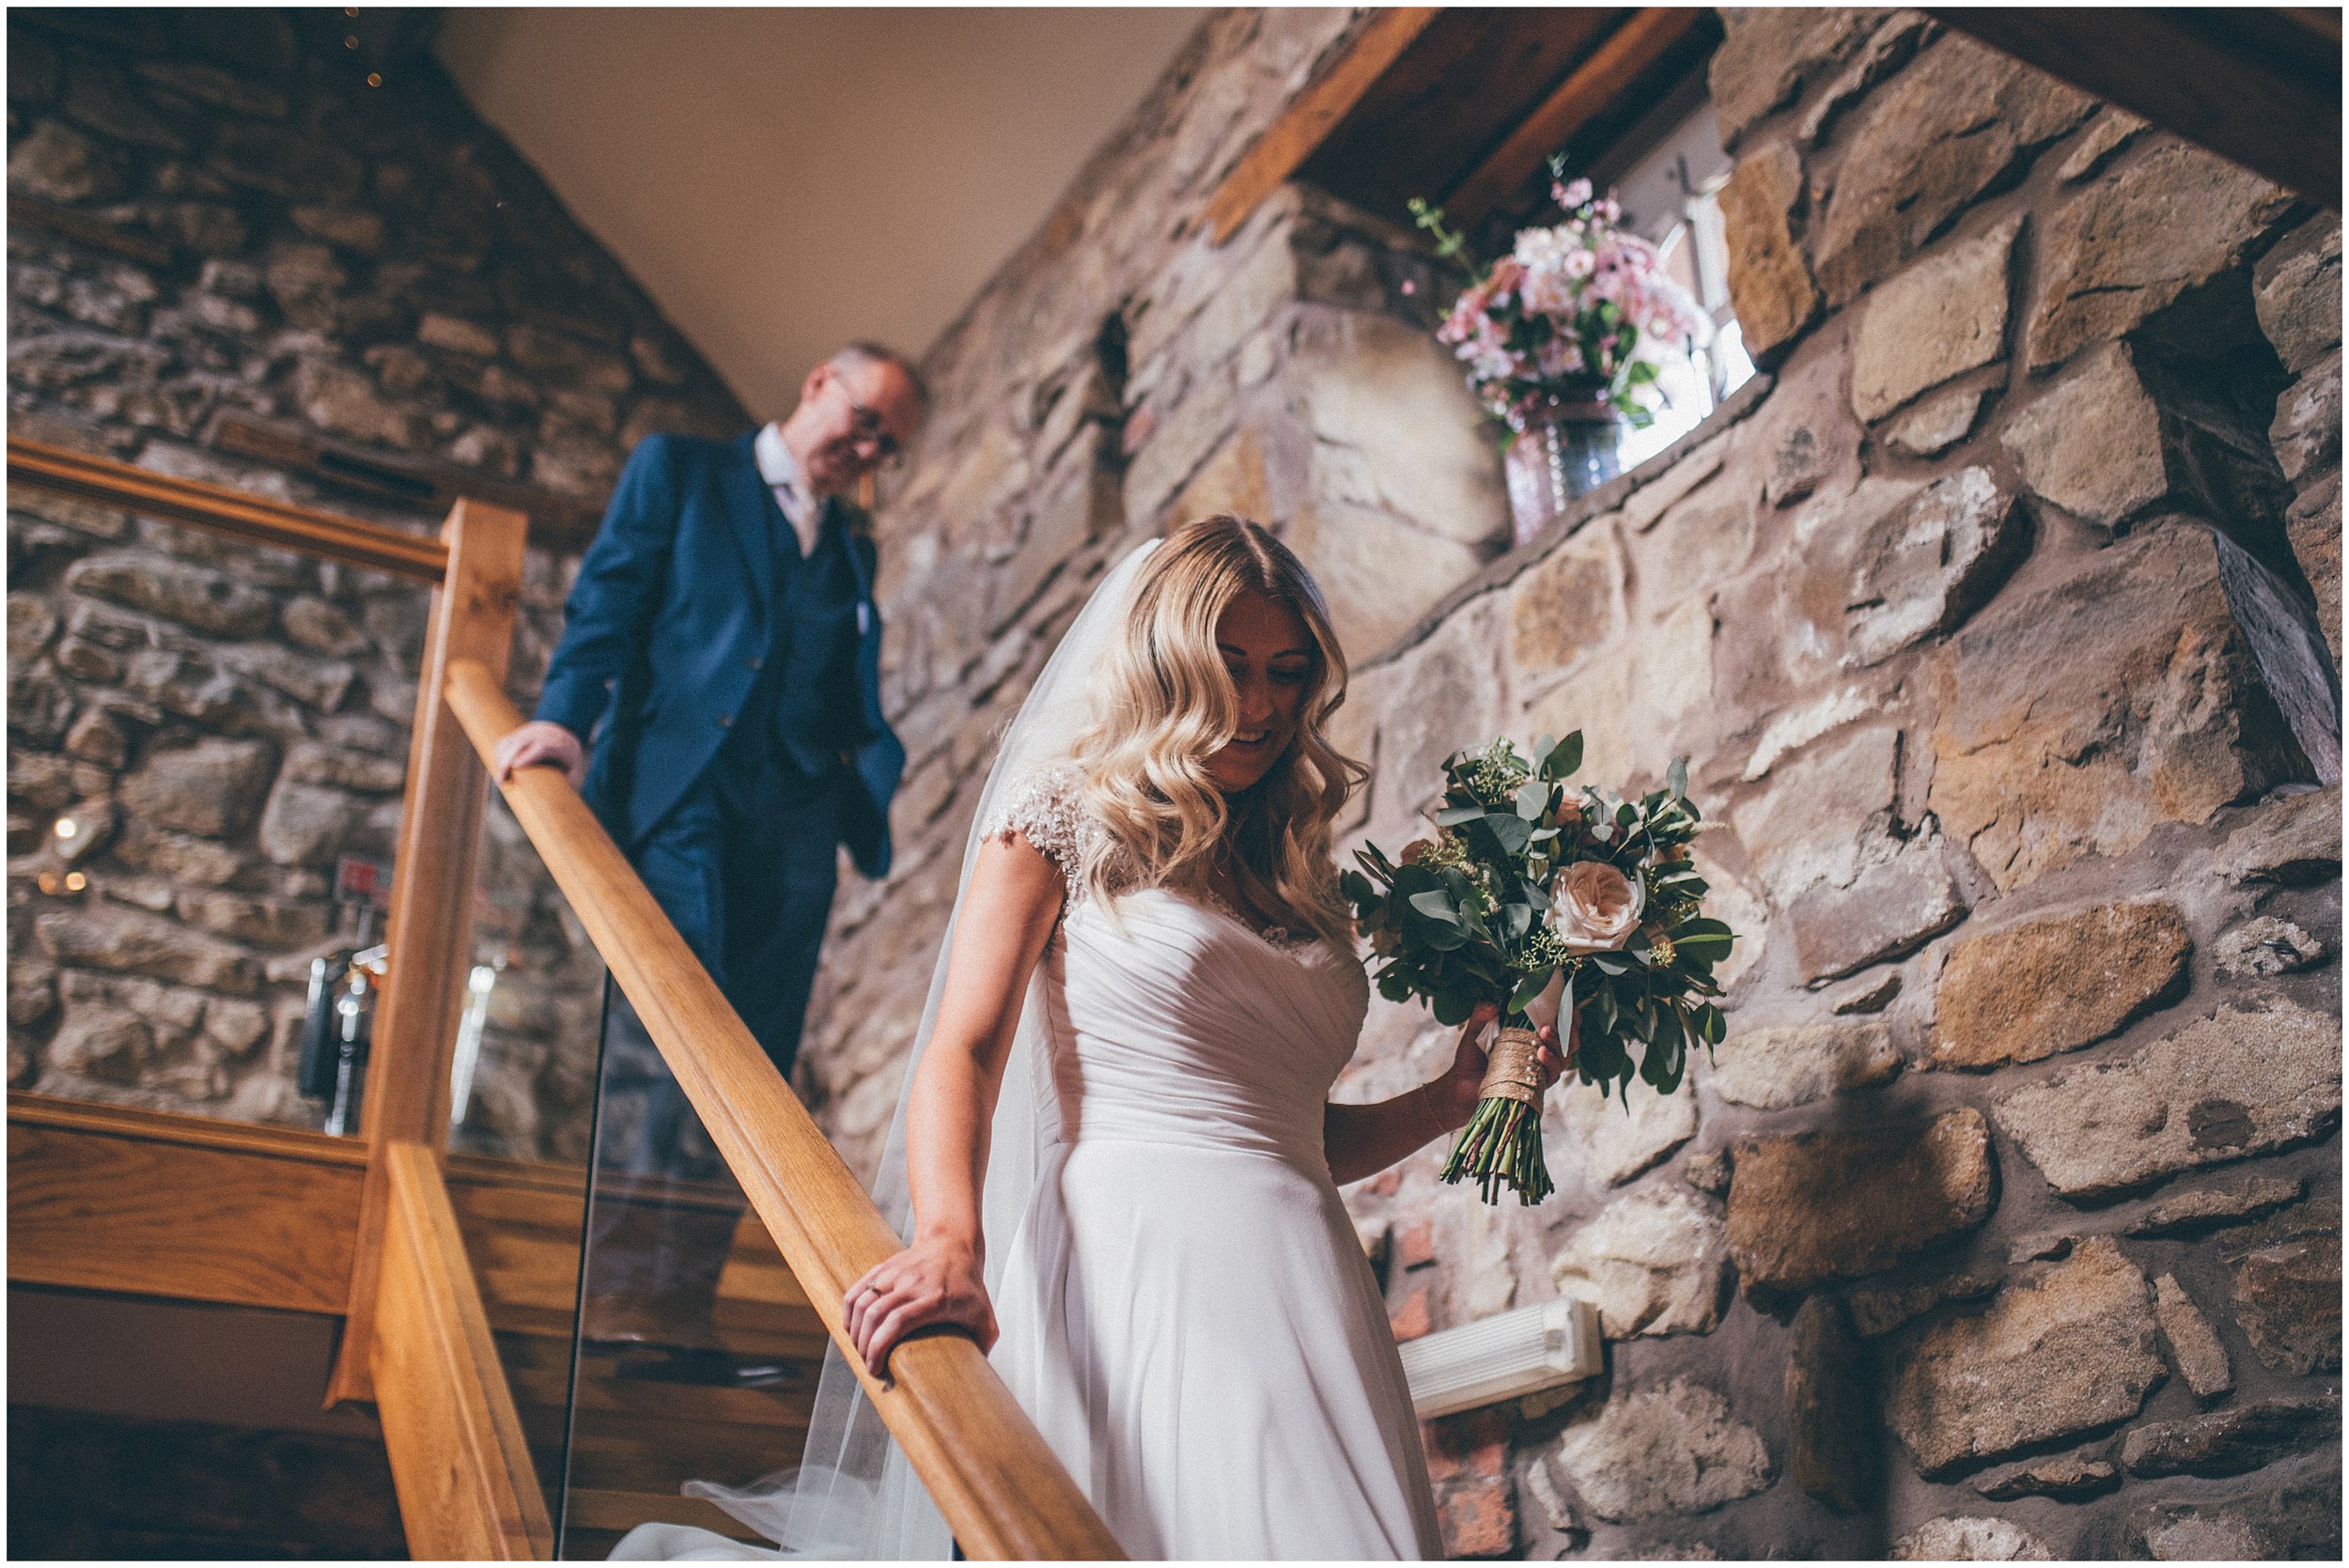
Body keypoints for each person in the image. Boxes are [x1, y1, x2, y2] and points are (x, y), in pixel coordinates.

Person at [617, 516, 1570, 1559]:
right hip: (1132, 1264)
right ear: (1166, 663)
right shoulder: (1061, 817)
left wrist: (1443, 1103)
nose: (1258, 706)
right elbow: (963, 1048)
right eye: (1229, 667)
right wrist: (949, 1240)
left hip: (1308, 1282)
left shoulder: (1298, 870)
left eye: (1287, 673)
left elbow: (1288, 1133)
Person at [493, 344, 925, 1337]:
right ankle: (615, 1296)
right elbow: (608, 596)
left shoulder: (852, 547)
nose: (865, 451)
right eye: (863, 422)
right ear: (817, 380)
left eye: (884, 446)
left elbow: (846, 688)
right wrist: (565, 717)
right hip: (678, 796)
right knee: (667, 1037)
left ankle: (681, 1303)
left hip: (798, 824)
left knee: (756, 1066)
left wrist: (867, 771)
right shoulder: (682, 472)